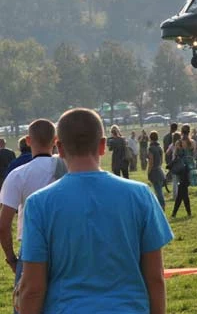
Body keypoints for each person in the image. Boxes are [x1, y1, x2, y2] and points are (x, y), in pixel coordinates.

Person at [17, 108, 173, 313]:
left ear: (59, 148)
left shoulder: (39, 204)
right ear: (102, 145)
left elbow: (33, 288)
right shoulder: (140, 195)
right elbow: (155, 278)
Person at [0, 119, 61, 305]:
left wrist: (11, 258)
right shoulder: (67, 168)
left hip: (31, 247)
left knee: (27, 302)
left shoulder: (18, 175)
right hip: (65, 245)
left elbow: (3, 225)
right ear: (55, 140)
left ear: (28, 140)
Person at [172, 125, 195, 217]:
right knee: (183, 191)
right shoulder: (192, 142)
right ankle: (187, 212)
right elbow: (194, 155)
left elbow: (175, 155)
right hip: (189, 168)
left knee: (182, 192)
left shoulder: (179, 143)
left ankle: (175, 212)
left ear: (181, 132)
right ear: (189, 132)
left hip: (181, 169)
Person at [147, 131, 166, 209]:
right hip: (160, 170)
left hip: (154, 171)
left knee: (158, 191)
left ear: (150, 138)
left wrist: (148, 172)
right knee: (159, 190)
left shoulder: (151, 148)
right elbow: (161, 161)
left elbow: (151, 162)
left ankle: (161, 205)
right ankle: (161, 204)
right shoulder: (159, 147)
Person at [165, 132, 181, 200]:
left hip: (174, 164)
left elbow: (167, 153)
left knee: (175, 181)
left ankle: (175, 196)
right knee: (181, 181)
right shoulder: (182, 144)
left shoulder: (172, 145)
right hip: (182, 163)